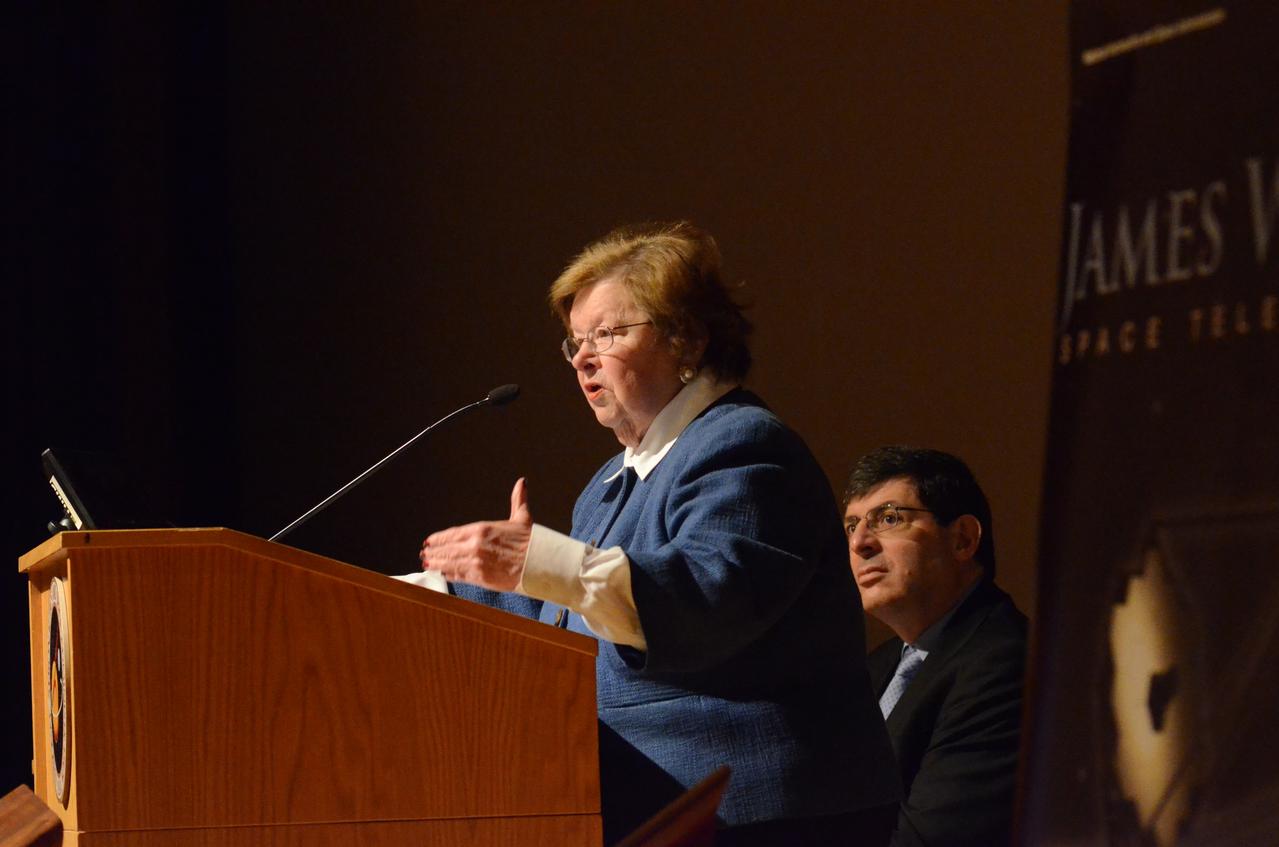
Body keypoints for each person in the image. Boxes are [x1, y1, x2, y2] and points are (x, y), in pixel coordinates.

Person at [418, 222, 899, 845]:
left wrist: (545, 562)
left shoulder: (745, 445)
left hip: (755, 811)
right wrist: (432, 591)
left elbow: (707, 596)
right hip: (650, 808)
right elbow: (574, 616)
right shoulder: (609, 484)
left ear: (687, 339)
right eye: (575, 342)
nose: (583, 358)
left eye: (607, 334)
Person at [842, 446, 1029, 847]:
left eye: (888, 518)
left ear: (962, 539)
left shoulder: (1004, 663)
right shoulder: (876, 667)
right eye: (851, 526)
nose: (859, 543)